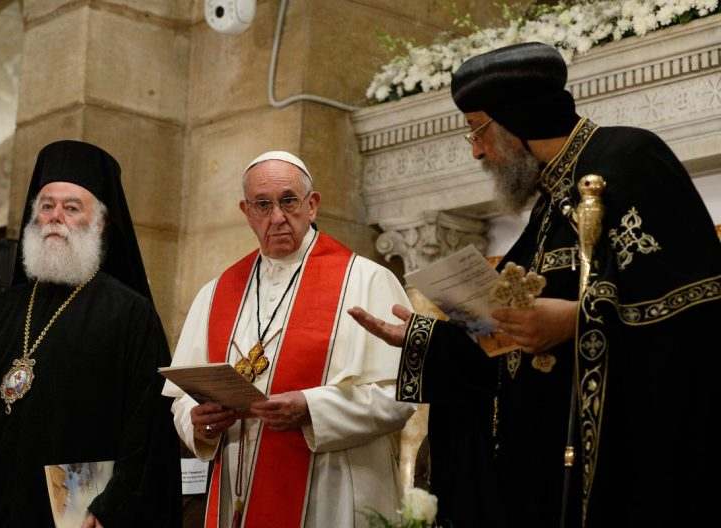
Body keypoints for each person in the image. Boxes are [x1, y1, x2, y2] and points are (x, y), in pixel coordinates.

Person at [349, 42, 721, 527]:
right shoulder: (549, 204)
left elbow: (699, 303)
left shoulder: (631, 160)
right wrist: (429, 339)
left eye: (476, 130)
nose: (477, 150)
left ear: (513, 118)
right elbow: (506, 343)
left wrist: (579, 321)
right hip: (545, 476)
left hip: (624, 468)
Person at [163, 151, 415, 527]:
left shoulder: (366, 281)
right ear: (246, 211)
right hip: (239, 486)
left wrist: (312, 409)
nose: (277, 217)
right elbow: (183, 398)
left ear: (312, 205)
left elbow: (400, 396)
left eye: (289, 201)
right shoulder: (215, 293)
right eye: (263, 205)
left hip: (331, 491)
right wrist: (199, 423)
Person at [0, 140, 182, 527]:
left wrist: (111, 506)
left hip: (77, 517)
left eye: (72, 208)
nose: (55, 217)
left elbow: (148, 430)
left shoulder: (129, 314)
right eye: (46, 206)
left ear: (101, 223)